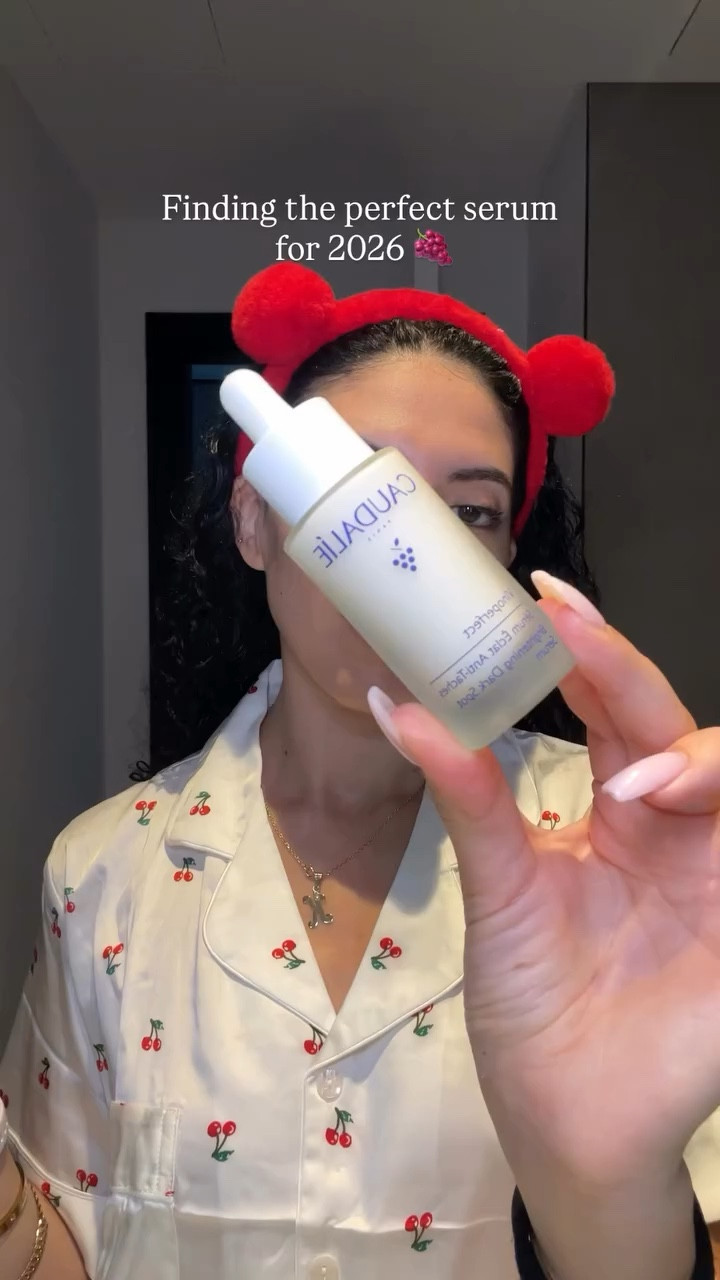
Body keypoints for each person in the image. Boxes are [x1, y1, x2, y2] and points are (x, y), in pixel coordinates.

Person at [0, 262, 718, 1280]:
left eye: (468, 511)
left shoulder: (621, 850)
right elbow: (66, 1235)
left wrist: (607, 1191)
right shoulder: (102, 870)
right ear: (256, 521)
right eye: (357, 493)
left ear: (505, 553)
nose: (401, 554)